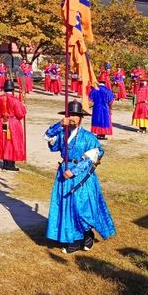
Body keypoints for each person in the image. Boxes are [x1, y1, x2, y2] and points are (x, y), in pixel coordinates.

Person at [45, 101, 115, 254]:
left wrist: (76, 170)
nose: (72, 118)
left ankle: (87, 234)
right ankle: (74, 240)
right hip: (64, 174)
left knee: (82, 207)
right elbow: (47, 138)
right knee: (67, 206)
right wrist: (58, 125)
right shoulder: (62, 133)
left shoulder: (88, 137)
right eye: (69, 115)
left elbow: (97, 154)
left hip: (82, 177)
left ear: (81, 118)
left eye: (76, 116)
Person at [0, 79, 27, 170]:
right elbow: (20, 114)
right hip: (13, 123)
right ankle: (11, 164)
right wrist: (23, 107)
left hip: (3, 121)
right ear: (12, 90)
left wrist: (1, 116)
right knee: (13, 142)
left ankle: (5, 163)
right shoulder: (15, 100)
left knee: (4, 141)